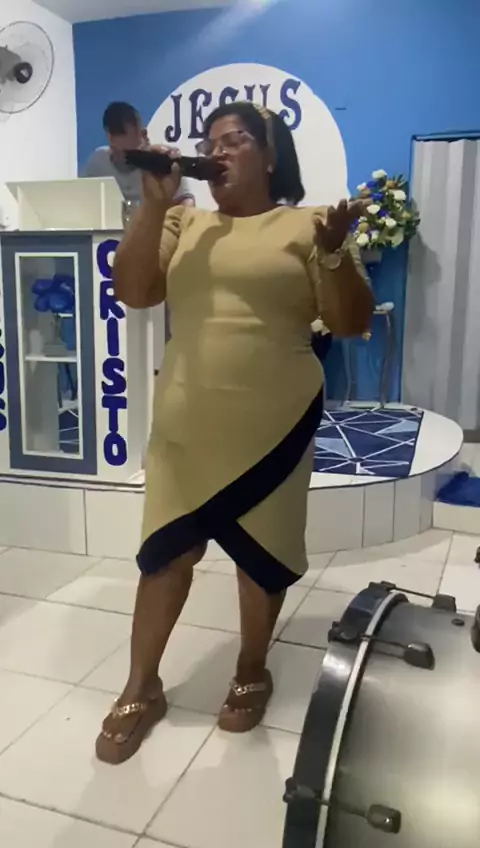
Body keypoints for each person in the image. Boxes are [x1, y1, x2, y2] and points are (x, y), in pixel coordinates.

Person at [96, 101, 373, 765]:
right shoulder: (183, 220)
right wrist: (152, 205)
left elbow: (350, 322)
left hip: (274, 425)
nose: (216, 150)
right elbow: (133, 290)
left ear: (270, 156)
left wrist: (334, 253)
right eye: (209, 141)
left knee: (260, 560)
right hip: (186, 424)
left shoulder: (310, 224)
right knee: (165, 557)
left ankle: (252, 667)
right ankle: (141, 685)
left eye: (236, 139)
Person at [82, 101, 194, 206]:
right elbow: (80, 202)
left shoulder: (160, 162)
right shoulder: (97, 163)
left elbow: (187, 201)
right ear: (110, 138)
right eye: (127, 153)